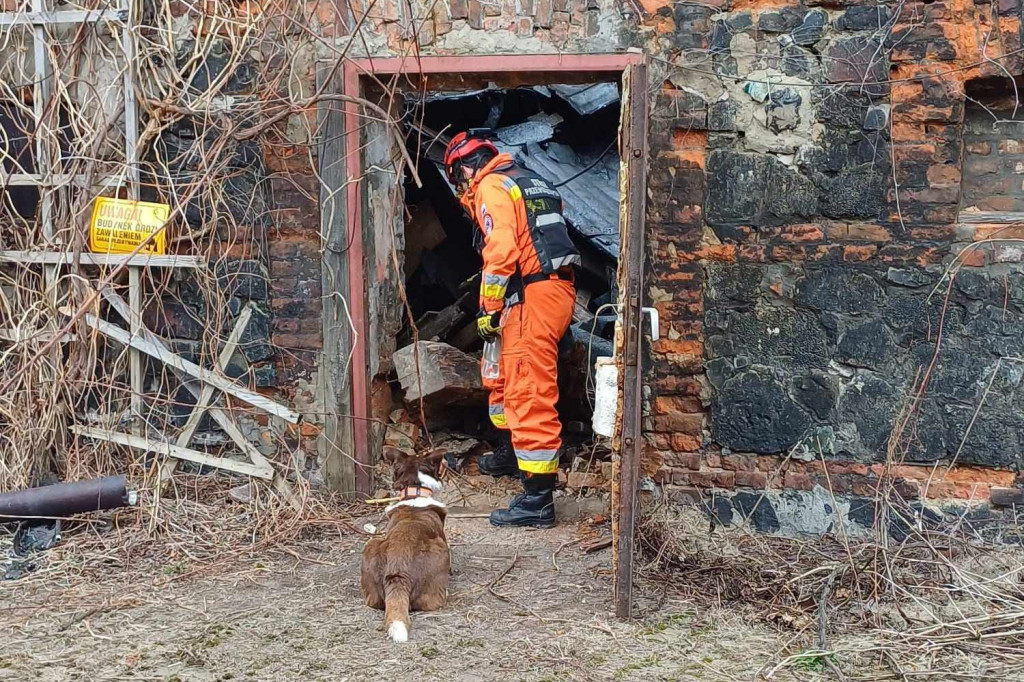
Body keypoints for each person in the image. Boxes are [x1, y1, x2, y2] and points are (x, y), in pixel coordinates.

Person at [443, 131, 580, 528]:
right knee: (503, 379)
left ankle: (538, 500)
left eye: (457, 179)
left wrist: (488, 306)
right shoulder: (528, 180)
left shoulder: (491, 185)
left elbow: (501, 249)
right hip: (549, 290)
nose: (460, 188)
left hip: (531, 297)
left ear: (465, 168)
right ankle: (509, 452)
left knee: (527, 389)